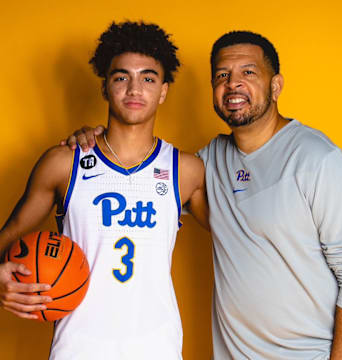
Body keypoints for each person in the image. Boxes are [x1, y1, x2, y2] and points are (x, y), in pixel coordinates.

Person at [65, 31, 342, 359]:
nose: (233, 84)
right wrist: (93, 140)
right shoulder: (206, 164)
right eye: (222, 75)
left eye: (248, 72)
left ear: (275, 85)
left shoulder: (317, 159)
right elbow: (139, 176)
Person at [0, 21, 208, 359]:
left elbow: (241, 234)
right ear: (105, 87)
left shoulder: (186, 171)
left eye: (149, 78)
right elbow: (10, 233)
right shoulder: (63, 162)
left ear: (164, 90)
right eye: (121, 77)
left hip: (157, 348)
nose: (135, 89)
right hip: (76, 348)